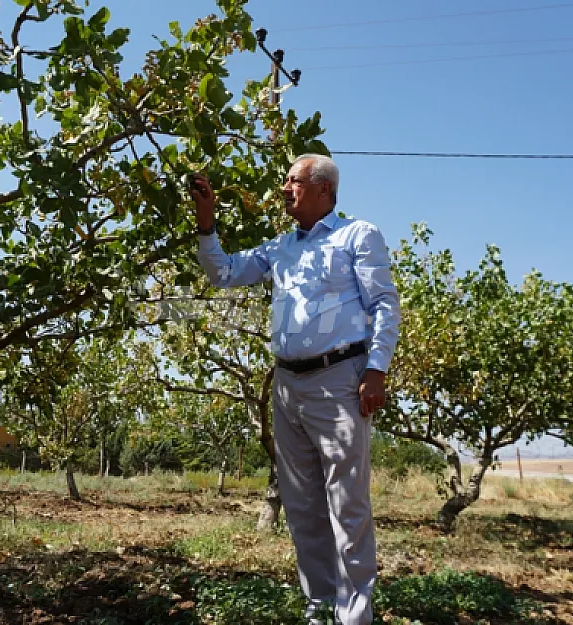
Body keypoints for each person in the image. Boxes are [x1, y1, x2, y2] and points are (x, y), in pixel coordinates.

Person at [190, 154, 401, 625]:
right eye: (285, 181)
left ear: (323, 188)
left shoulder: (357, 235)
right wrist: (207, 224)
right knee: (303, 504)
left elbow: (385, 304)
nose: (285, 188)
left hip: (340, 380)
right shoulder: (280, 247)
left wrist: (377, 370)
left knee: (347, 502)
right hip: (287, 385)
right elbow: (222, 273)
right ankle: (321, 605)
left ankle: (354, 615)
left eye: (294, 181)